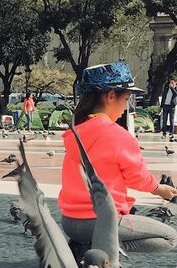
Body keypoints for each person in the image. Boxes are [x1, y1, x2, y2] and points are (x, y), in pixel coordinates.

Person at [58, 63, 177, 253]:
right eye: (127, 99)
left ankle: (84, 245)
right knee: (169, 237)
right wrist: (159, 189)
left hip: (70, 222)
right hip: (102, 222)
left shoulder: (75, 132)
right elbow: (137, 177)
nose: (126, 107)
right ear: (111, 95)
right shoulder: (117, 135)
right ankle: (100, 248)